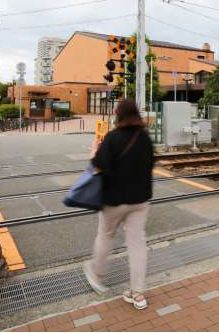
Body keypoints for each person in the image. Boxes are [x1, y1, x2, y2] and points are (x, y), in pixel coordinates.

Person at [83, 98, 154, 310]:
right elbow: (150, 165)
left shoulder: (113, 138)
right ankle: (138, 294)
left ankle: (96, 274)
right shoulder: (144, 138)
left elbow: (96, 168)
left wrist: (94, 150)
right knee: (137, 244)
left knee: (105, 235)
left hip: (114, 199)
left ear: (118, 114)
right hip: (140, 200)